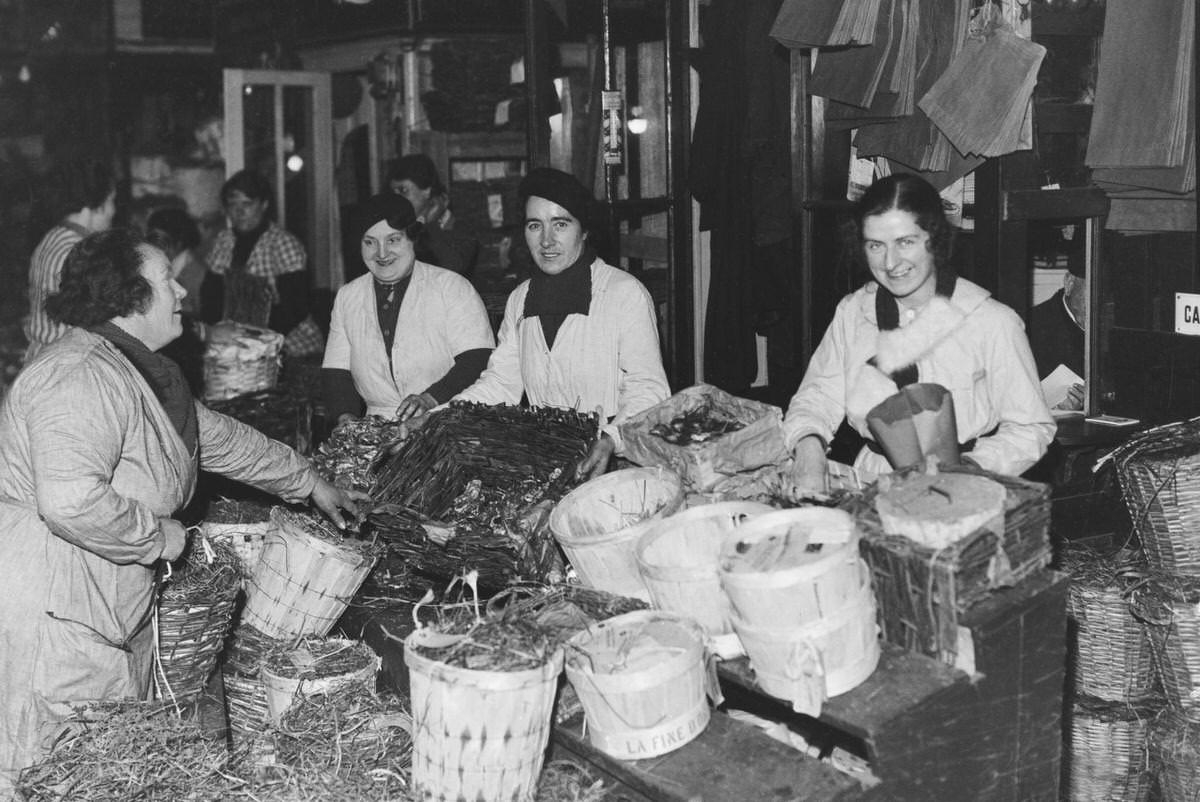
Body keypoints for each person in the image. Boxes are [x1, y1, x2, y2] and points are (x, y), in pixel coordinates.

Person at [0, 229, 368, 791]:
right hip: (56, 605)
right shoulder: (75, 376)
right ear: (128, 296)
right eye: (166, 279)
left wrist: (309, 481)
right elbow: (70, 499)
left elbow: (216, 437)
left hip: (101, 599)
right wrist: (158, 538)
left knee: (102, 768)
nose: (182, 291)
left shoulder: (135, 369)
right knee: (49, 770)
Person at [784, 173, 1055, 495]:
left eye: (905, 242)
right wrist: (809, 449)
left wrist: (970, 468)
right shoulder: (853, 312)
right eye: (875, 245)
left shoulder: (991, 321)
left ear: (935, 239)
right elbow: (817, 396)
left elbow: (1031, 428)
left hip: (966, 485)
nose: (890, 262)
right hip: (875, 482)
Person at [451, 167, 671, 480]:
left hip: (616, 465)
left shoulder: (624, 293)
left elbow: (650, 389)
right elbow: (501, 383)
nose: (547, 240)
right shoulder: (520, 299)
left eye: (561, 224)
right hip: (546, 463)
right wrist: (441, 416)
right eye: (534, 225)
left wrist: (611, 439)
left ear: (583, 231)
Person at [321, 193, 494, 425]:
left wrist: (429, 399)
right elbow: (337, 370)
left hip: (447, 419)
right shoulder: (348, 296)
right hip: (378, 426)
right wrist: (345, 416)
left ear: (413, 239)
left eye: (393, 240)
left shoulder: (452, 287)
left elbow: (477, 358)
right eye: (370, 242)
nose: (381, 253)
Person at [23, 158, 116, 361]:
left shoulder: (54, 236)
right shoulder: (77, 252)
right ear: (94, 205)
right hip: (62, 364)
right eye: (111, 202)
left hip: (43, 357)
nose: (113, 212)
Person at [204, 169, 311, 336]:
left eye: (247, 204)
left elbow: (295, 309)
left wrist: (253, 336)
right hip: (234, 337)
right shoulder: (223, 241)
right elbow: (210, 297)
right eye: (233, 204)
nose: (239, 212)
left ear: (264, 204)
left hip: (286, 341)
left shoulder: (282, 243)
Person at [388, 154, 477, 275]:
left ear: (427, 191)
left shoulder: (462, 227)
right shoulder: (402, 226)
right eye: (394, 193)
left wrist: (431, 224)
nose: (397, 199)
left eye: (404, 191)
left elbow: (453, 269)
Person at [1029, 254, 1086, 411]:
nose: (1099, 301)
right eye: (1092, 289)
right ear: (1069, 283)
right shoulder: (1032, 326)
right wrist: (1056, 409)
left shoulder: (1113, 324)